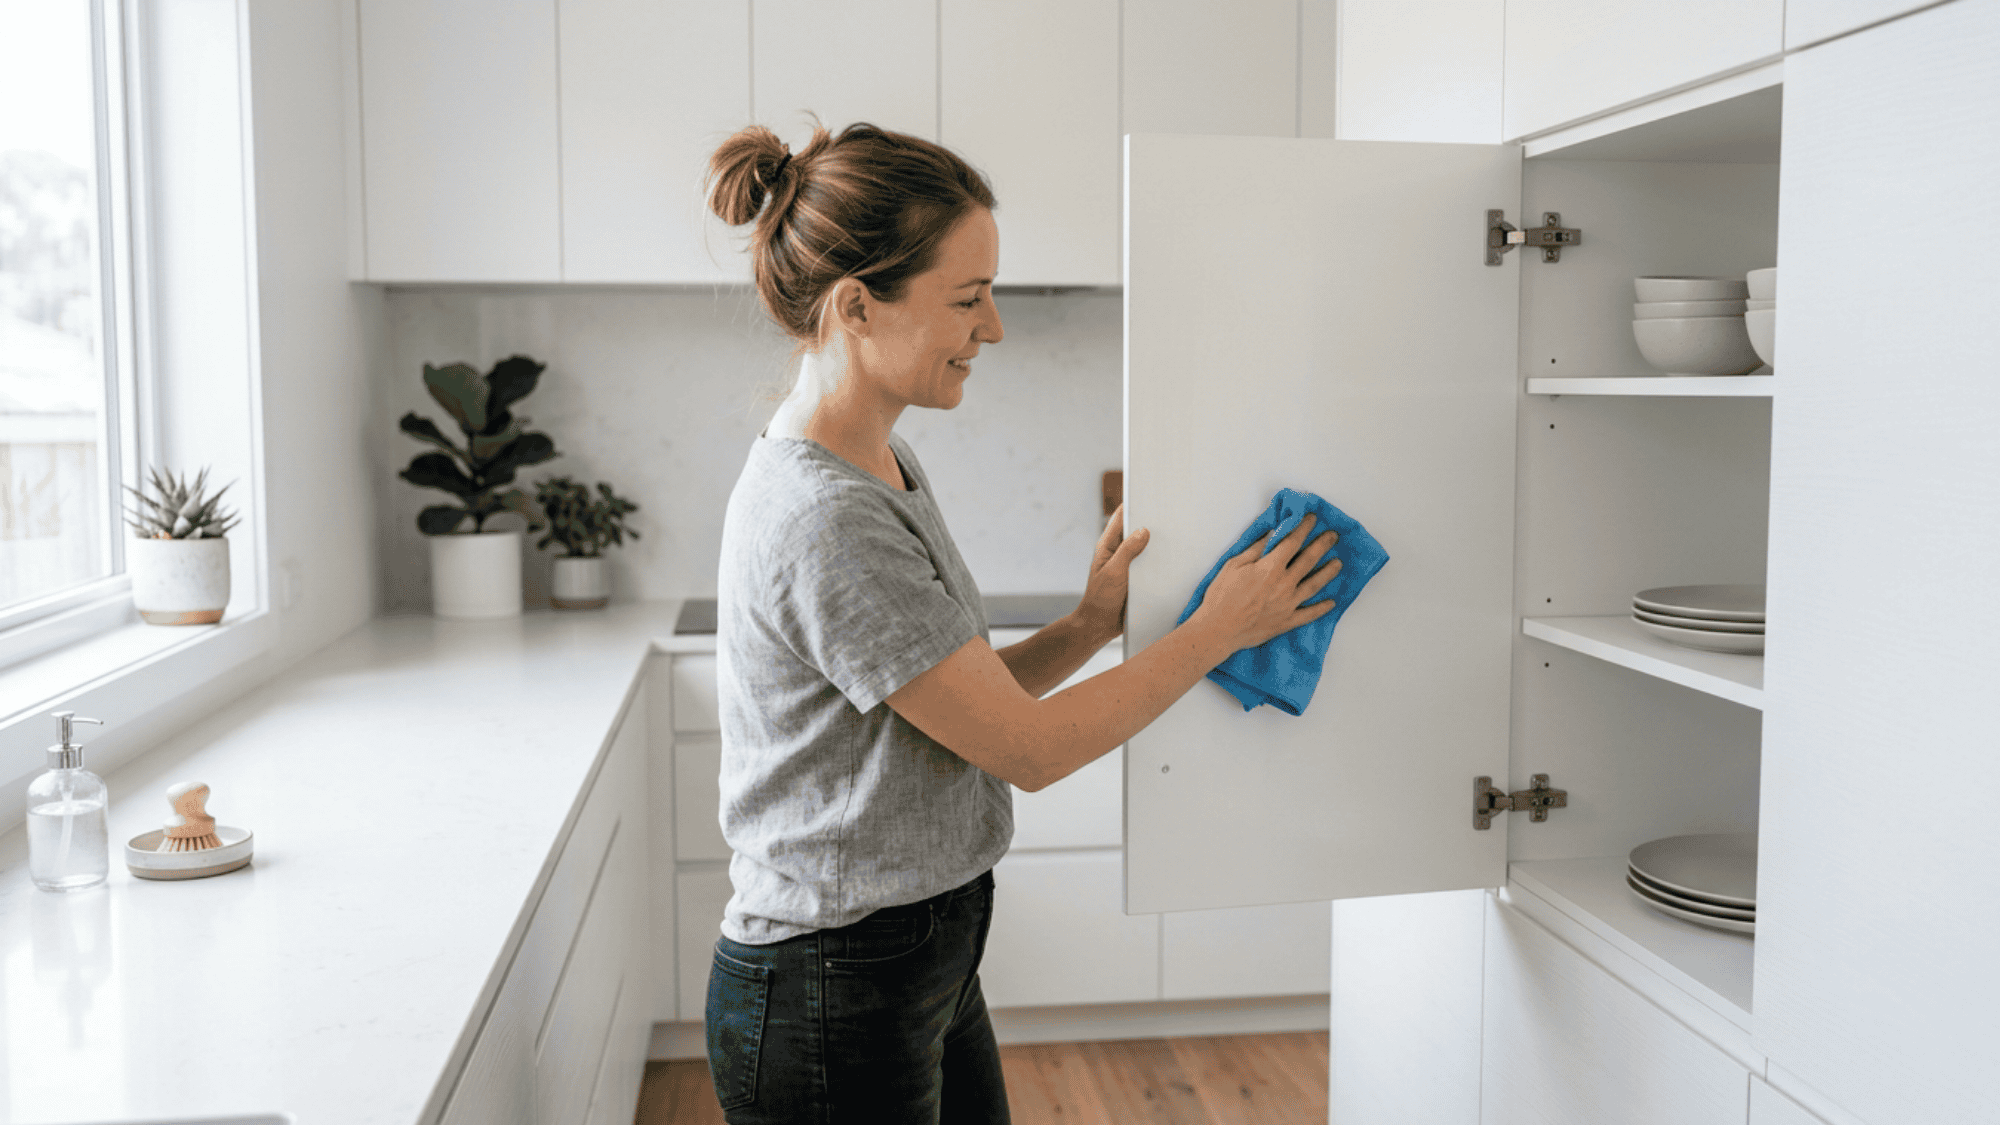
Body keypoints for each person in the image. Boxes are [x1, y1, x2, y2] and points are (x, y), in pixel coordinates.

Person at [703, 119, 1342, 1125]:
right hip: (833, 985)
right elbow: (1027, 750)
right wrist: (1215, 630)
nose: (992, 327)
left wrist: (1090, 623)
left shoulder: (883, 464)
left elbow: (966, 705)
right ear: (856, 307)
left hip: (920, 954)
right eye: (966, 299)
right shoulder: (825, 517)